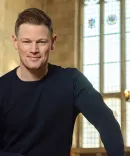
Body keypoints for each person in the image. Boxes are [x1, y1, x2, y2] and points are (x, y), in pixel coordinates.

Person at [0, 8, 124, 156]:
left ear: (53, 42)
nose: (34, 49)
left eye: (41, 42)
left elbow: (106, 122)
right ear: (15, 42)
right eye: (26, 42)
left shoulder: (72, 81)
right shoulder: (2, 88)